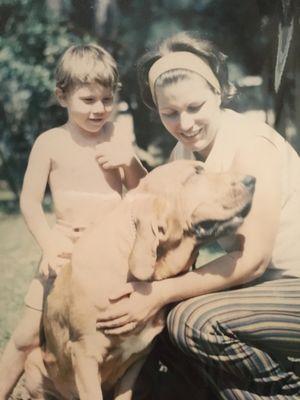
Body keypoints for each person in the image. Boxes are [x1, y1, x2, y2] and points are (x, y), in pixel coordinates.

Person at [96, 31, 300, 398]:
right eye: (170, 113)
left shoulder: (251, 145)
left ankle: (289, 383)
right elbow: (163, 220)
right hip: (259, 293)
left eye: (195, 108)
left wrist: (158, 293)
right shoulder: (183, 155)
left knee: (193, 322)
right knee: (158, 328)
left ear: (218, 94)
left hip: (291, 287)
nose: (185, 123)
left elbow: (253, 260)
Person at [0, 43, 147, 399]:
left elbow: (144, 192)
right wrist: (49, 245)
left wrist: (128, 161)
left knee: (109, 331)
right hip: (63, 252)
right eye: (88, 100)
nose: (99, 109)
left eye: (107, 100)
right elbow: (30, 202)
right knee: (26, 337)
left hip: (109, 257)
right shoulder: (50, 143)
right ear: (62, 96)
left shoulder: (117, 138)